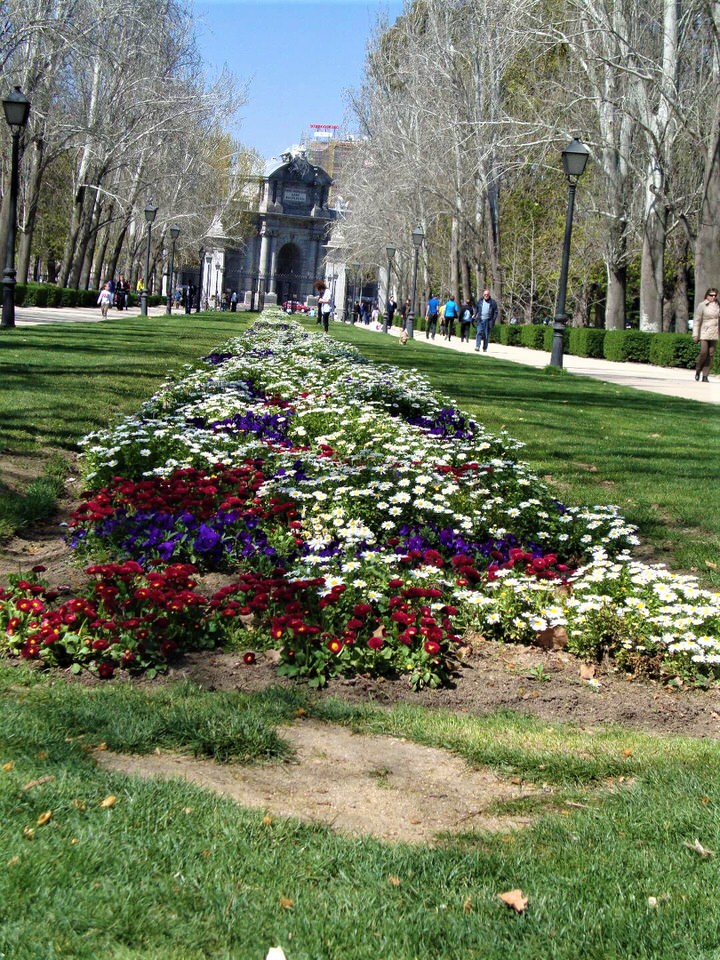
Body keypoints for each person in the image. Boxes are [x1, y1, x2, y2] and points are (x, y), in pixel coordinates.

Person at [693, 287, 719, 382]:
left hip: (714, 332)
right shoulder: (702, 305)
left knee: (711, 354)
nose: (713, 297)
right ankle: (698, 370)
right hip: (704, 332)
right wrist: (695, 334)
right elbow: (697, 320)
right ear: (707, 295)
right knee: (704, 353)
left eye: (715, 295)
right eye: (711, 295)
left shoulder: (718, 305)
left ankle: (705, 375)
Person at [474, 287, 498, 352]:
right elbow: (476, 308)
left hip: (488, 321)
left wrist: (493, 320)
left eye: (487, 294)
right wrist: (475, 314)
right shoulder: (480, 301)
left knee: (486, 335)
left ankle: (485, 348)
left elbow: (496, 312)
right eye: (485, 294)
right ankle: (477, 346)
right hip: (480, 319)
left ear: (489, 295)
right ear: (483, 295)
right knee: (478, 332)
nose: (486, 295)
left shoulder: (493, 302)